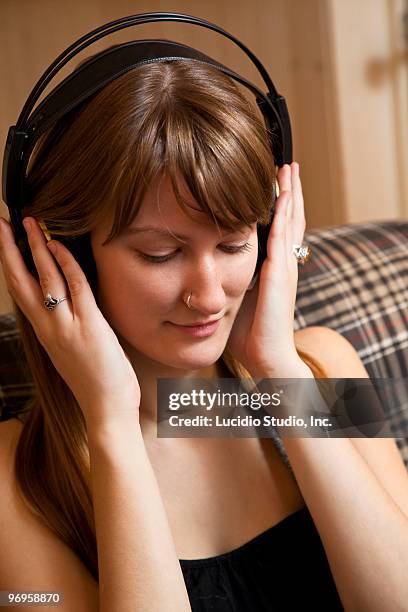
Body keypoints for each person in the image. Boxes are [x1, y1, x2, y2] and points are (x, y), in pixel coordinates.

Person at [0, 57, 407, 612]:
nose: (211, 296)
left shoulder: (322, 367)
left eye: (234, 244)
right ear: (65, 254)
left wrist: (279, 371)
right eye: (160, 254)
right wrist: (114, 423)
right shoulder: (15, 474)